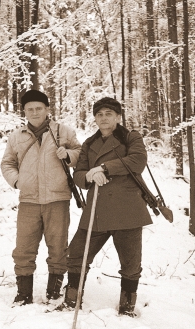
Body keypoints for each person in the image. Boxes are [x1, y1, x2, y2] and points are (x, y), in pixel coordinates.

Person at [58, 97, 152, 317]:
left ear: (118, 117)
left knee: (130, 263)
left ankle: (127, 307)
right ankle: (72, 300)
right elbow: (79, 176)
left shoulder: (130, 137)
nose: (103, 118)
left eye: (108, 114)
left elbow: (138, 161)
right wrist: (89, 176)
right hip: (97, 211)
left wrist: (104, 168)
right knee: (76, 255)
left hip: (127, 210)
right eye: (99, 114)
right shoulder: (90, 143)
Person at [1, 89, 82, 306]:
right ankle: (23, 294)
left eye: (39, 108)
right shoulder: (16, 137)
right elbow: (7, 163)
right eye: (30, 109)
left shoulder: (63, 132)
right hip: (28, 200)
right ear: (24, 112)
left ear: (47, 109)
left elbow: (81, 154)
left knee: (58, 246)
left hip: (57, 198)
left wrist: (70, 155)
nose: (35, 112)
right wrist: (17, 181)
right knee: (23, 248)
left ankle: (54, 292)